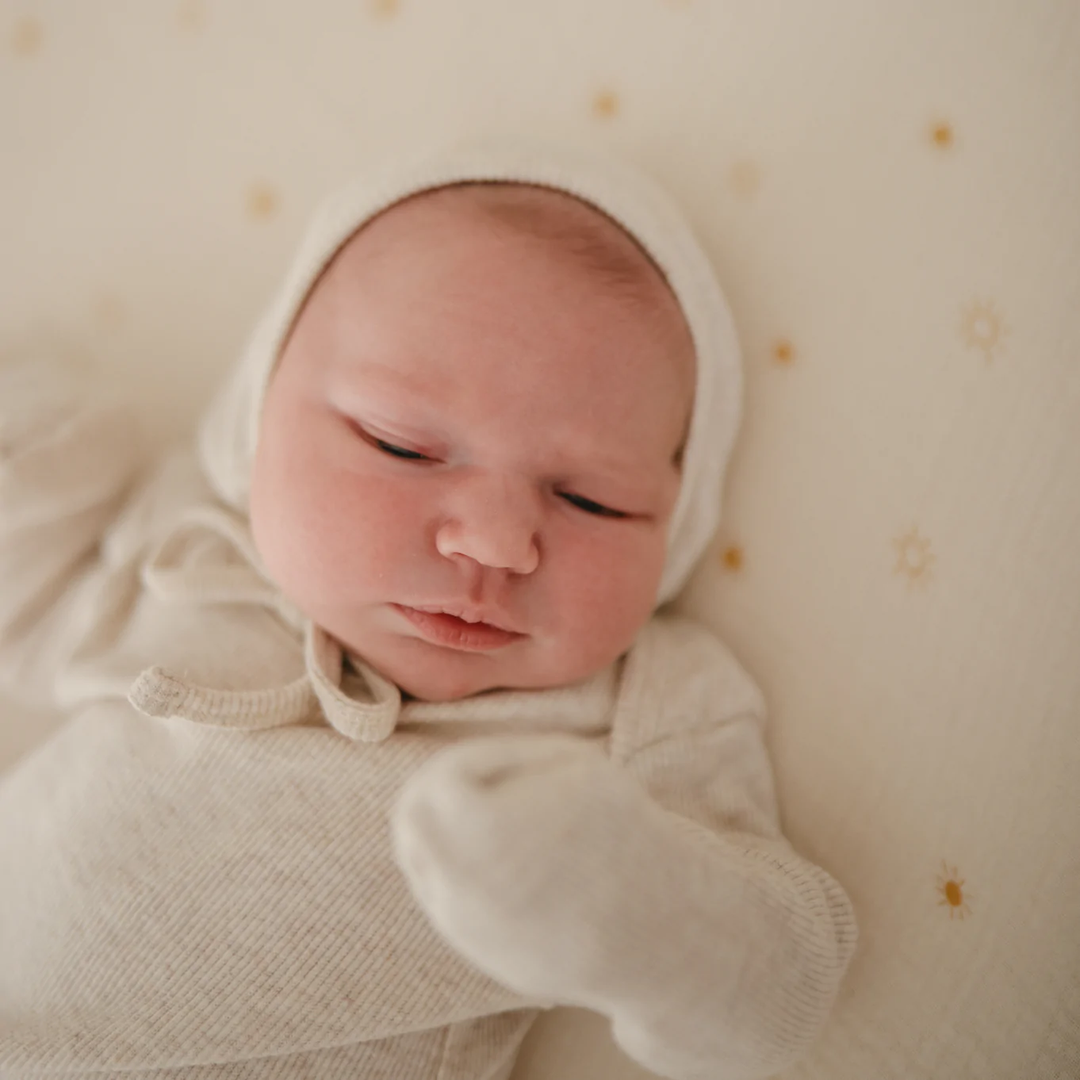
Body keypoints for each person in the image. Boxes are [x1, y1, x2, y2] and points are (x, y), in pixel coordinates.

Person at [0, 140, 857, 1080]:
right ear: (256, 421)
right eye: (399, 445)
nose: (495, 543)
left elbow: (790, 982)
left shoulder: (644, 711)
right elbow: (27, 616)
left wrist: (636, 899)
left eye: (592, 501)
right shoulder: (188, 554)